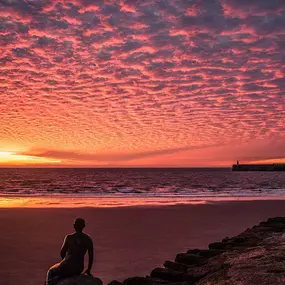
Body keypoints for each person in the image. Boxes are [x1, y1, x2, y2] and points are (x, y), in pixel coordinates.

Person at [46, 218, 94, 285]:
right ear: (84, 226)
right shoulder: (88, 239)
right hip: (79, 268)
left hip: (67, 265)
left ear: (74, 226)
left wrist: (65, 261)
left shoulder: (69, 237)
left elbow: (62, 252)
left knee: (51, 271)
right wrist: (89, 269)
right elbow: (91, 255)